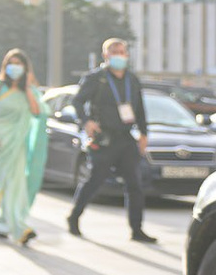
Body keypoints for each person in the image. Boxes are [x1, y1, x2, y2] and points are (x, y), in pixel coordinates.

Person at [67, 37, 156, 244]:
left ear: (127, 55)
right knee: (95, 180)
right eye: (114, 52)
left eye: (122, 52)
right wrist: (87, 122)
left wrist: (144, 134)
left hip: (126, 138)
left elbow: (139, 109)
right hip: (104, 138)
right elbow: (77, 102)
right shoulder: (96, 78)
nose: (119, 56)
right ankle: (74, 216)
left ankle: (137, 229)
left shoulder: (132, 80)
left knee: (135, 184)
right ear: (105, 55)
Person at [0, 48, 47, 247]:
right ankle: (18, 226)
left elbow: (37, 112)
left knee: (15, 185)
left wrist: (27, 88)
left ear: (25, 68)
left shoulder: (29, 90)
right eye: (11, 63)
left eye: (18, 64)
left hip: (19, 143)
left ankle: (2, 223)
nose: (14, 67)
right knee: (4, 183)